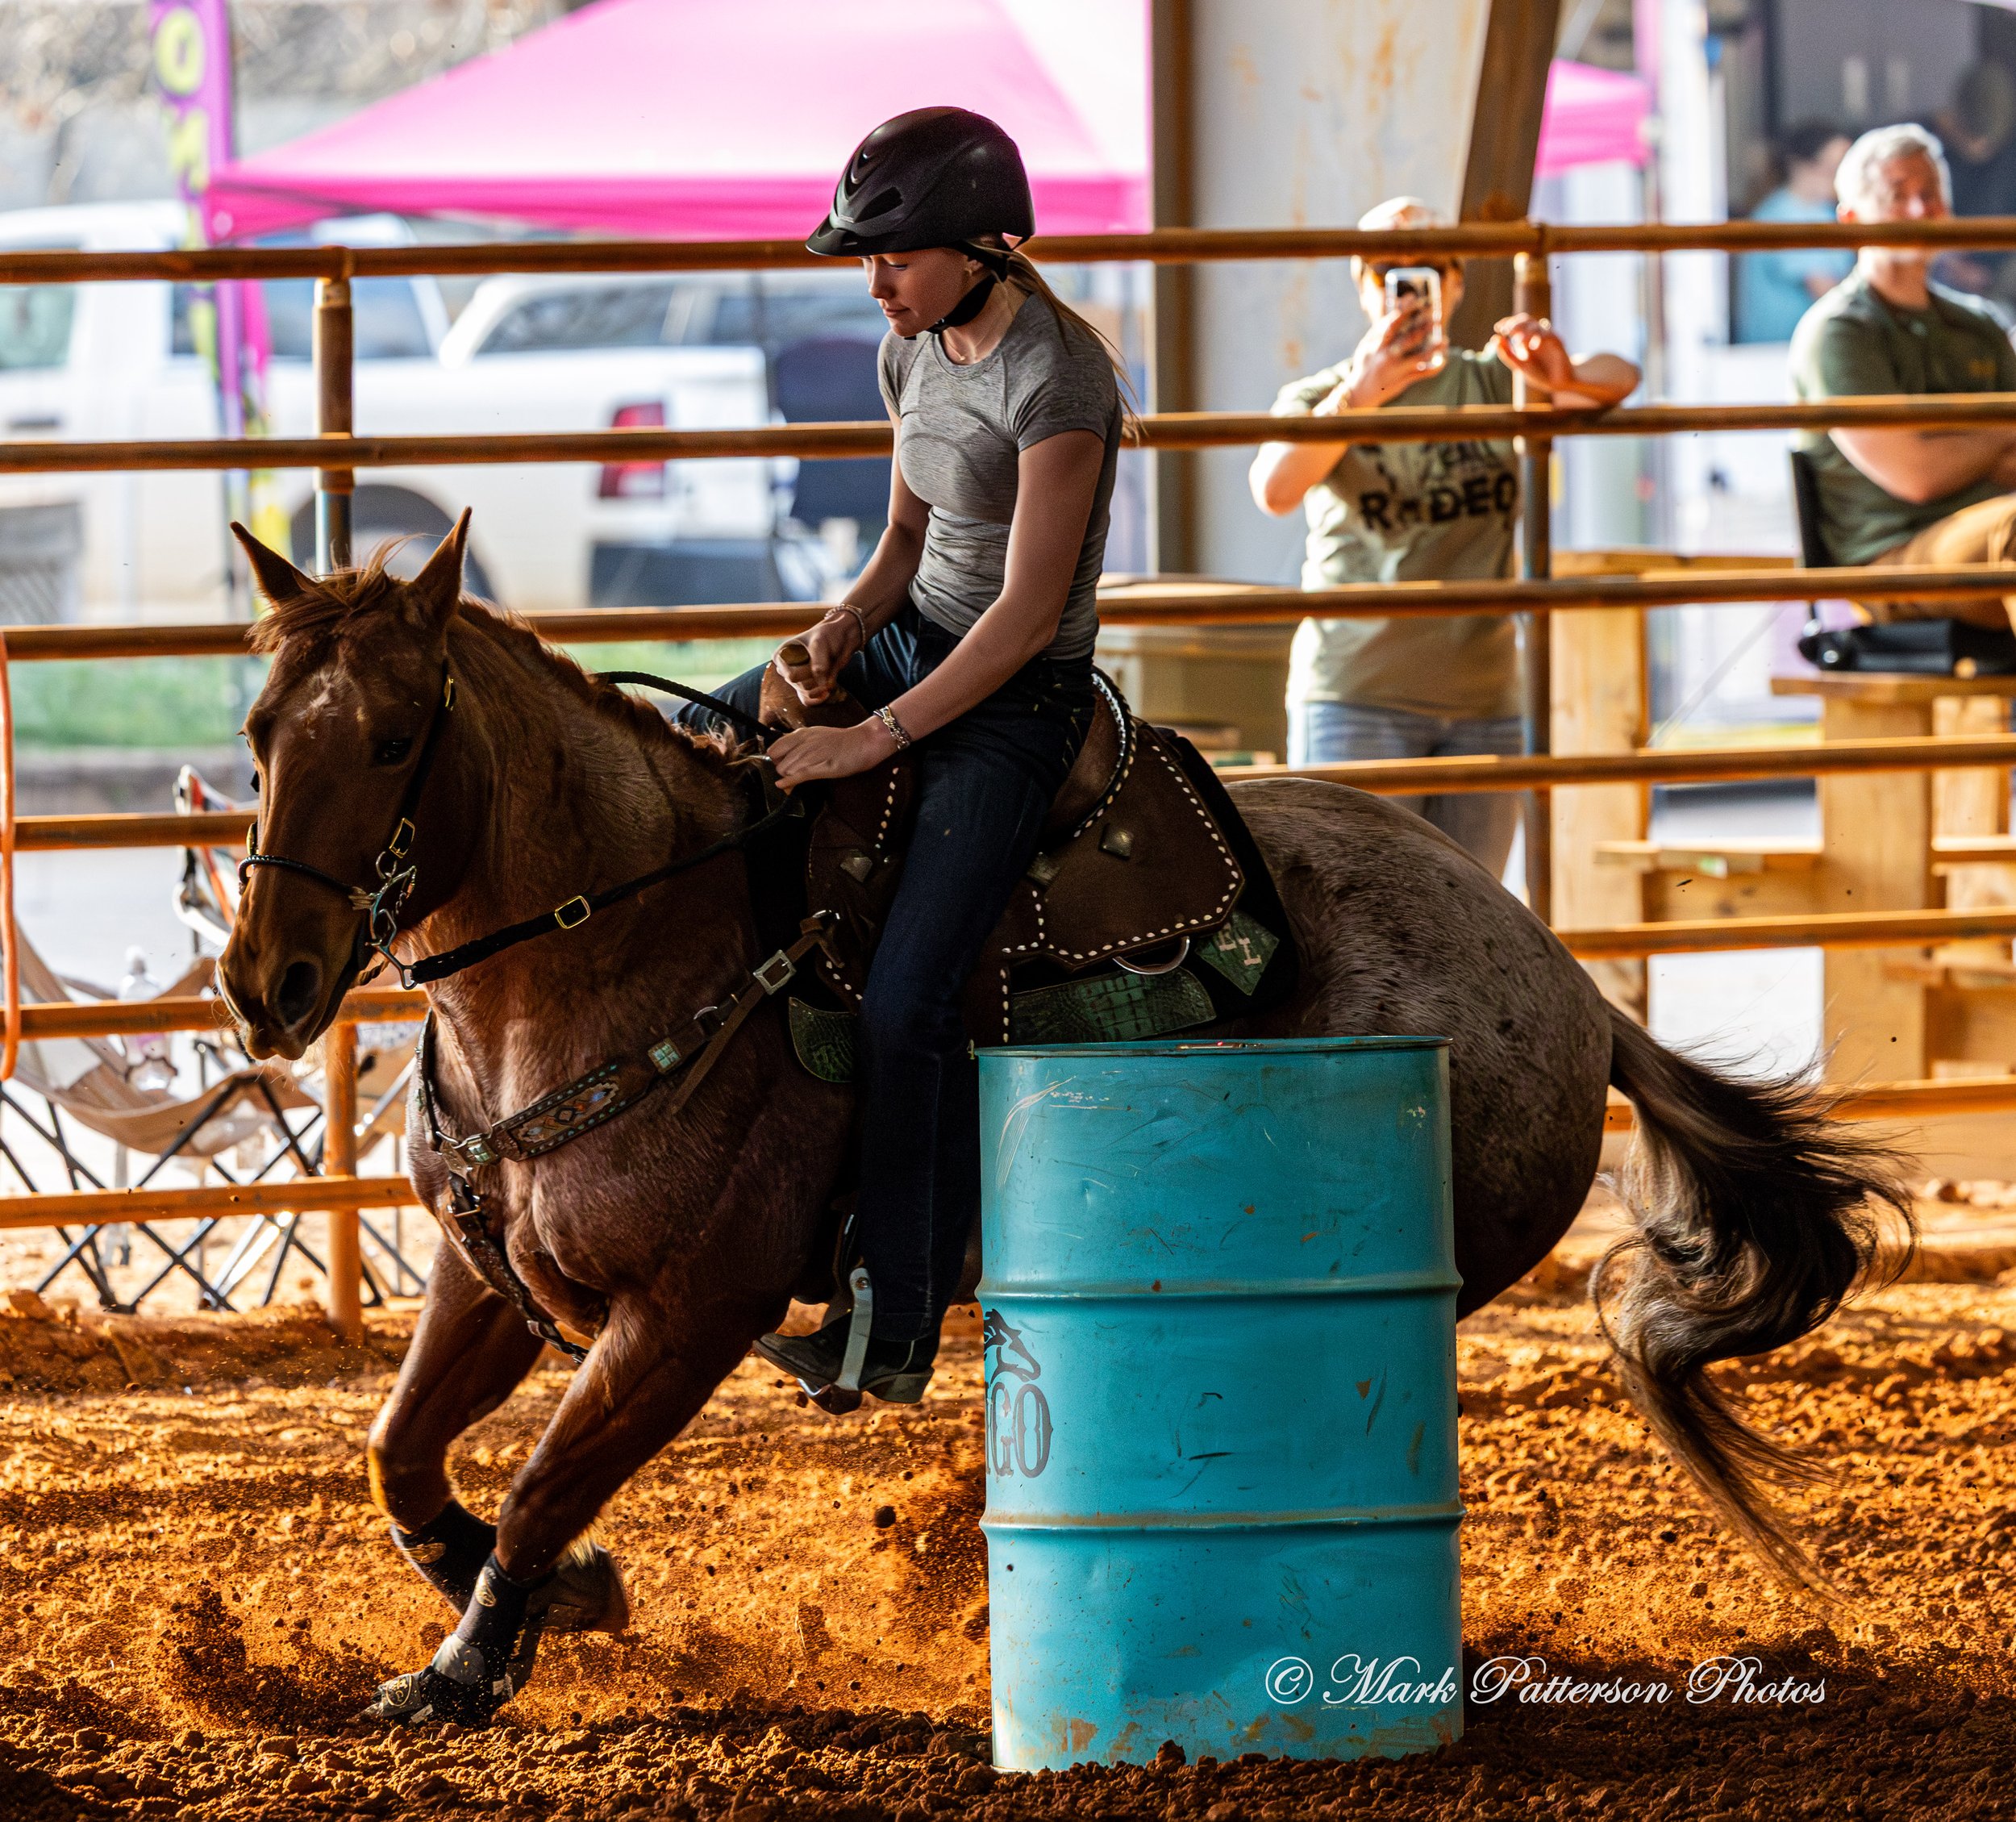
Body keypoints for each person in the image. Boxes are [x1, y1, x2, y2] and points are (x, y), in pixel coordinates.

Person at [682, 108, 1124, 1407]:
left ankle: (899, 1315)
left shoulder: (1062, 381)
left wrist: (867, 734)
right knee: (694, 749)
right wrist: (829, 638)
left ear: (985, 245)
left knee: (912, 1001)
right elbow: (900, 546)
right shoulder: (913, 352)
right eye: (866, 259)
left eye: (895, 256)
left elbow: (1027, 617)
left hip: (1015, 698)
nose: (874, 284)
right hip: (918, 641)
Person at [1247, 198, 1640, 881]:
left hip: (1483, 701)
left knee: (1472, 918)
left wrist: (1559, 374)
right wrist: (1356, 401)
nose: (1408, 289)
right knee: (1349, 913)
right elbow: (1274, 488)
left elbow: (1620, 378)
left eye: (1427, 270)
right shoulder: (1322, 394)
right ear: (1363, 284)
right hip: (1357, 693)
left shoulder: (1497, 379)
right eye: (1389, 273)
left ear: (1456, 283)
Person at [1789, 123, 2016, 625]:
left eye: (1930, 194)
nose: (1920, 210)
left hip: (1981, 539)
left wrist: (1963, 446)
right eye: (1898, 196)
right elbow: (1916, 475)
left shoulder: (1978, 324)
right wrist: (2000, 431)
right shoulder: (1839, 331)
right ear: (1851, 221)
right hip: (1893, 561)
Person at [1735, 121, 1855, 344]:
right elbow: (1825, 290)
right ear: (1801, 166)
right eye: (1833, 168)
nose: (1841, 178)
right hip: (1775, 353)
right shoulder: (1780, 218)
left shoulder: (1827, 213)